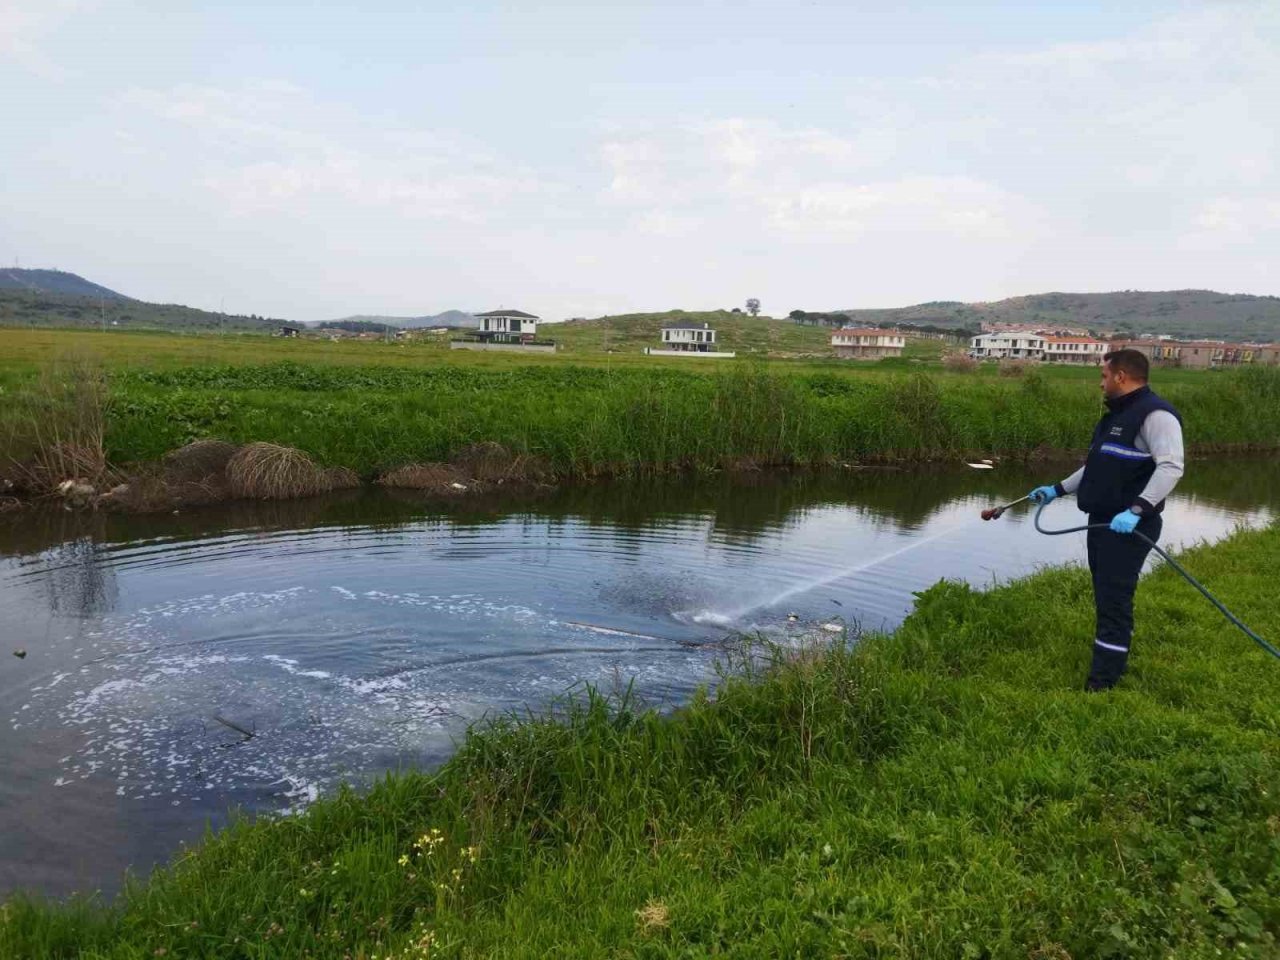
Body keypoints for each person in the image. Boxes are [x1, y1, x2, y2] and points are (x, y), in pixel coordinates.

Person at [1028, 348, 1184, 691]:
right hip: (1102, 523)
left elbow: (1171, 466)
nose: (1101, 384)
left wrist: (1137, 510)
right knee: (1106, 594)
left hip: (1130, 527)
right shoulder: (1115, 417)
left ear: (1121, 377)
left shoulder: (1156, 415)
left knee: (1115, 599)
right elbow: (1097, 466)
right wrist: (1057, 489)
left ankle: (1102, 683)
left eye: (1103, 376)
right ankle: (1110, 662)